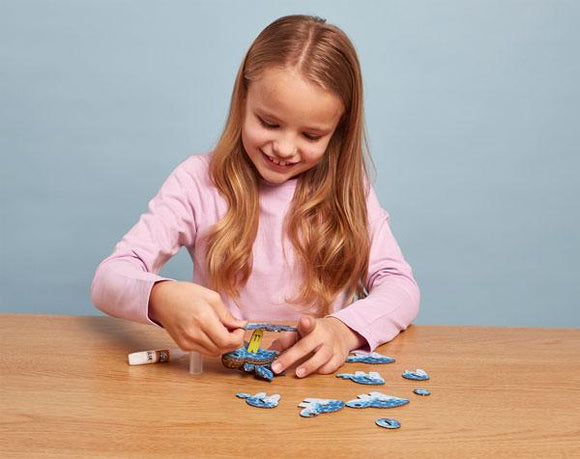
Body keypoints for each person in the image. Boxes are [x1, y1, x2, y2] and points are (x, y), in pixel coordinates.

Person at [91, 14, 420, 378]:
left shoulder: (349, 189)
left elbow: (400, 287)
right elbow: (109, 278)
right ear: (243, 99)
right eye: (269, 123)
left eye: (311, 136)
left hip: (319, 390)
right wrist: (160, 297)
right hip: (219, 390)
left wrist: (344, 331)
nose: (284, 148)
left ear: (337, 132)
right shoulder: (198, 181)